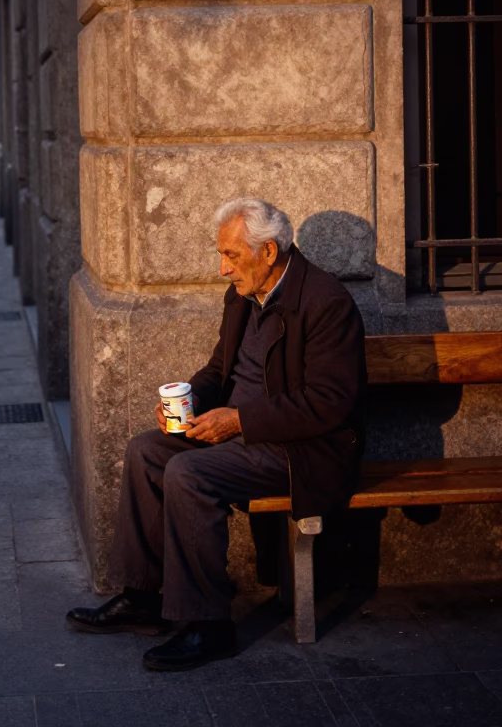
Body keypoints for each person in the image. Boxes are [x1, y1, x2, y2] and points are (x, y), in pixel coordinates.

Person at [66, 196, 366, 672]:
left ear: (268, 252)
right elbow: (219, 370)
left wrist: (240, 421)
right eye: (221, 254)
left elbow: (330, 402)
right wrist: (187, 399)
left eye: (232, 255)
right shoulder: (244, 296)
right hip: (245, 437)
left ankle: (209, 624)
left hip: (302, 451)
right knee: (146, 450)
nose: (223, 268)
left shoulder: (325, 303)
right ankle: (143, 598)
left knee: (188, 472)